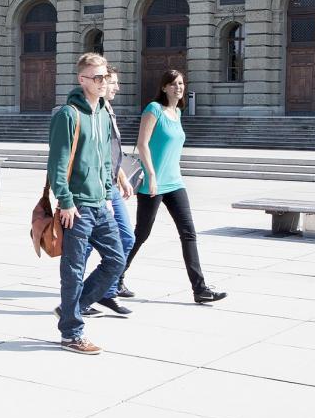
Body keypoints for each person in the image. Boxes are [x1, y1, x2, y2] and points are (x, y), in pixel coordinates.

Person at [122, 70, 227, 304]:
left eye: (181, 84)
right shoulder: (154, 109)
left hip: (175, 182)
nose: (178, 88)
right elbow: (142, 144)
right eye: (173, 84)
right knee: (141, 233)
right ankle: (115, 276)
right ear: (164, 87)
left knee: (188, 233)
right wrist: (150, 174)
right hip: (153, 183)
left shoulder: (177, 112)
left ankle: (200, 290)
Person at [48, 52, 125, 355]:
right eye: (97, 77)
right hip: (76, 206)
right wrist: (65, 201)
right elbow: (57, 163)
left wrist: (107, 194)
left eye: (105, 76)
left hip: (100, 203)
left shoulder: (104, 112)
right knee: (73, 270)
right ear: (82, 80)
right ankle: (72, 333)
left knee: (116, 260)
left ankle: (73, 309)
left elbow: (106, 159)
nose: (104, 82)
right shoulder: (68, 114)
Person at [79, 67, 137, 316]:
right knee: (86, 246)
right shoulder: (92, 113)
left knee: (126, 239)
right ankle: (79, 296)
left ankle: (105, 290)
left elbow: (110, 153)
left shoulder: (107, 111)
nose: (115, 87)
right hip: (98, 189)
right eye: (112, 82)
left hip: (111, 184)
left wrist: (122, 176)